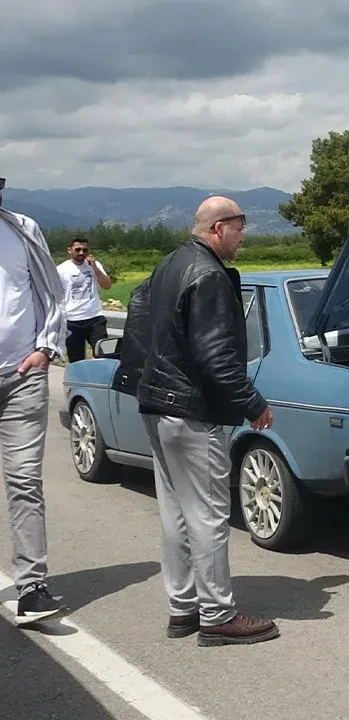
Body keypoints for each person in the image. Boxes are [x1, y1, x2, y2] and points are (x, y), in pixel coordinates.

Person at [133, 196, 279, 647]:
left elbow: (139, 319)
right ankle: (217, 614)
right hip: (191, 409)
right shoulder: (210, 275)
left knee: (175, 512)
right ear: (218, 228)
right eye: (239, 226)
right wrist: (253, 402)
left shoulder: (170, 263)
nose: (243, 235)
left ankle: (183, 608)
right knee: (210, 514)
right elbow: (217, 356)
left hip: (158, 403)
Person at [0, 175, 70, 626]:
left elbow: (50, 292)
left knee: (25, 482)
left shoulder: (22, 229)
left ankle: (32, 587)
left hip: (21, 376)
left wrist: (46, 349)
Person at [57, 237, 112, 363]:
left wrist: (94, 268)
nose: (81, 253)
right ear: (69, 250)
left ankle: (104, 380)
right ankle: (79, 381)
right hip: (72, 321)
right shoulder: (61, 270)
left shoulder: (95, 265)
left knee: (105, 355)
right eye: (78, 250)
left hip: (95, 318)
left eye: (85, 250)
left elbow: (107, 286)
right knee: (77, 360)